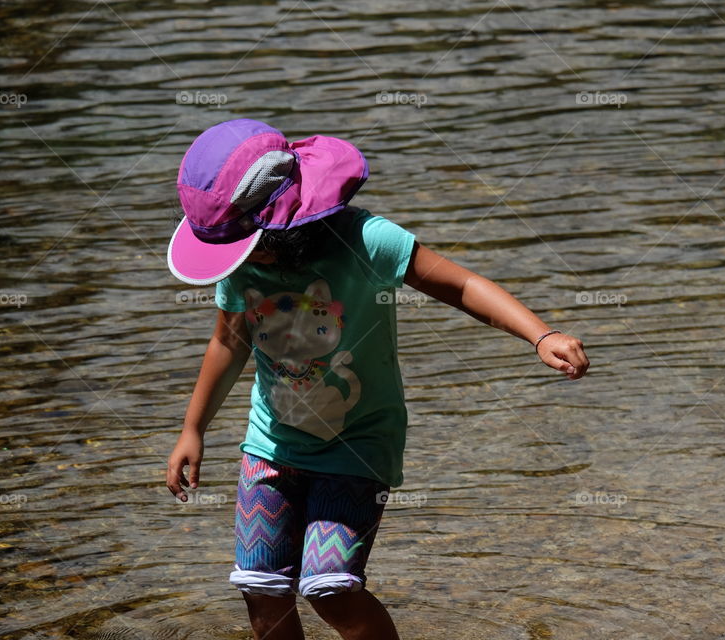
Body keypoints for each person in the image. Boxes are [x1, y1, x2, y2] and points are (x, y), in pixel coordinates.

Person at [164, 119, 589, 640]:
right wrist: (193, 429)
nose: (242, 258)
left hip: (357, 447)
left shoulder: (368, 242)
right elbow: (229, 341)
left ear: (284, 224)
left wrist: (540, 335)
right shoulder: (242, 263)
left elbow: (462, 285)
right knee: (261, 587)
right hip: (269, 444)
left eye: (249, 246)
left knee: (330, 587)